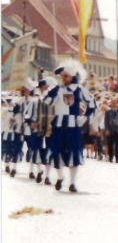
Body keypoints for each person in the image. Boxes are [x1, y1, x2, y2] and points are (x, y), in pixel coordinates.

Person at [42, 61, 96, 192]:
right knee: (55, 152)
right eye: (61, 76)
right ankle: (60, 177)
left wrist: (83, 119)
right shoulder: (57, 90)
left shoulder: (79, 89)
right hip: (59, 126)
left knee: (74, 152)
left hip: (74, 126)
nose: (63, 78)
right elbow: (46, 100)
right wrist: (55, 89)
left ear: (72, 76)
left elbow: (92, 104)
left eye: (65, 76)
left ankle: (72, 183)